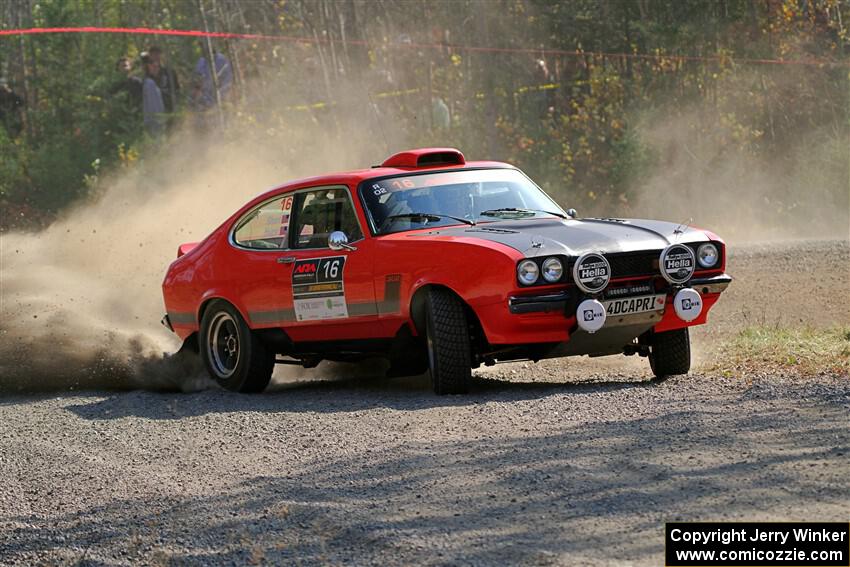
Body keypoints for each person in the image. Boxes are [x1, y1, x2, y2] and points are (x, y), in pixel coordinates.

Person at [146, 45, 180, 115]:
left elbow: (177, 89)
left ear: (161, 55)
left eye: (157, 54)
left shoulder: (169, 72)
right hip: (155, 108)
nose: (155, 57)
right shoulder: (147, 74)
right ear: (150, 56)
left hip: (170, 105)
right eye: (153, 55)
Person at [140, 52, 165, 135]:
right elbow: (153, 106)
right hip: (154, 124)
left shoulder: (150, 82)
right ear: (149, 67)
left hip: (155, 122)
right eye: (155, 67)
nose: (157, 69)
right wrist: (159, 120)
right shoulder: (149, 83)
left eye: (157, 67)